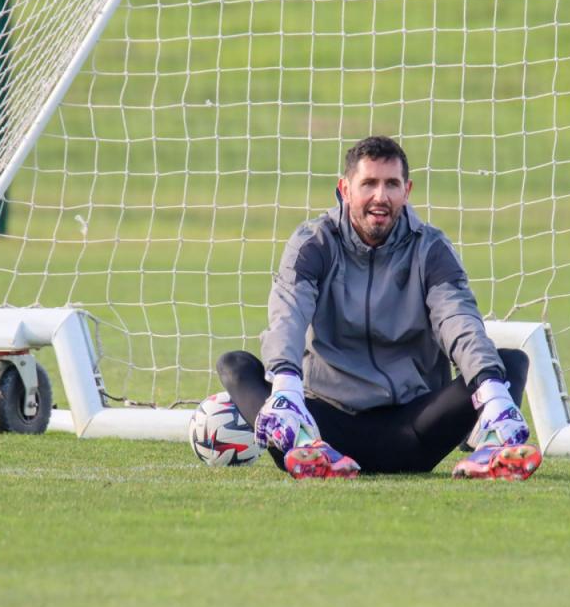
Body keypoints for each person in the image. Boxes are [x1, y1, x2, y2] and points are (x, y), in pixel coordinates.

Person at [216, 136, 541, 480]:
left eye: (392, 184)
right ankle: (303, 446)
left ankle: (491, 448)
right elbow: (289, 314)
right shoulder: (313, 242)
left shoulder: (431, 249)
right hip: (324, 424)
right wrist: (285, 387)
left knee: (507, 363)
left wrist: (491, 392)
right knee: (235, 365)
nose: (380, 196)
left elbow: (457, 320)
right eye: (368, 183)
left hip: (412, 430)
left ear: (407, 190)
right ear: (344, 189)